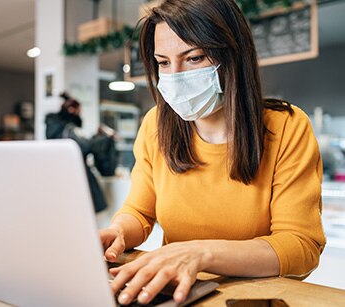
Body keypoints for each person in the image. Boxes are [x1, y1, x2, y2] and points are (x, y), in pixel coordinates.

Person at [99, 0, 326, 305]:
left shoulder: (287, 127)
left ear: (233, 56)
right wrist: (119, 232)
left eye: (193, 58)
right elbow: (139, 212)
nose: (175, 76)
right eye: (163, 63)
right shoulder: (155, 125)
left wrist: (199, 254)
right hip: (179, 296)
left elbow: (300, 247)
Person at [45, 93, 108, 212]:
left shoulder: (53, 128)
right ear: (72, 110)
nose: (81, 113)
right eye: (79, 110)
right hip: (76, 175)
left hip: (59, 176)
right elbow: (84, 147)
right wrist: (99, 138)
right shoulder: (70, 129)